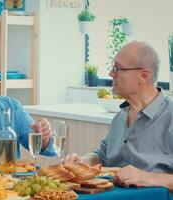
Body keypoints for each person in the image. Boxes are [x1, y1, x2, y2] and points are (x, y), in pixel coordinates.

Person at [62, 41, 173, 191]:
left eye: (118, 68)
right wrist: (83, 161)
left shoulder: (170, 117)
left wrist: (149, 177)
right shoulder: (120, 116)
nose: (110, 73)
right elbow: (102, 155)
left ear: (143, 75)